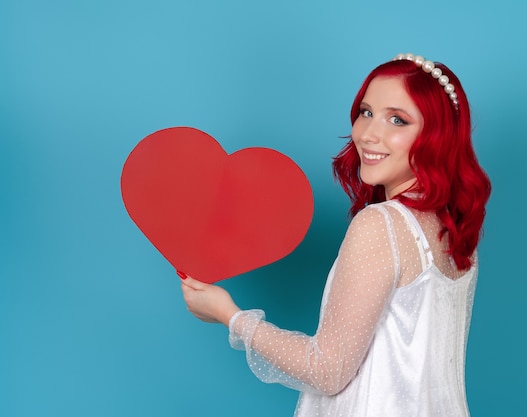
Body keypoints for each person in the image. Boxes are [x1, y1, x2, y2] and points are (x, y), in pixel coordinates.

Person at [180, 53, 491, 417]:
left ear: (437, 136)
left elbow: (327, 371)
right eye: (366, 112)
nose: (369, 134)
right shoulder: (453, 226)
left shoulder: (381, 225)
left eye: (397, 119)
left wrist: (229, 315)